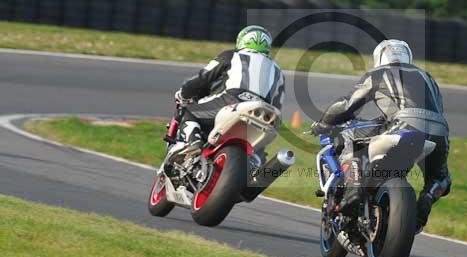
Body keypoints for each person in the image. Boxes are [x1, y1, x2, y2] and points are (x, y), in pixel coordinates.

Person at [314, 39, 451, 232]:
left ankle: (353, 187)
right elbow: (435, 109)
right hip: (440, 130)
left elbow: (347, 104)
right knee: (440, 177)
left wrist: (323, 123)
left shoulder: (379, 73)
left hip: (405, 123)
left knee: (349, 133)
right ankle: (427, 199)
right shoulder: (428, 77)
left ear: (379, 58)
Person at [166, 25, 285, 171]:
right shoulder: (278, 71)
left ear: (241, 41)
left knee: (190, 112)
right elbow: (278, 104)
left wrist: (184, 93)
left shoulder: (232, 55)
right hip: (265, 113)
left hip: (233, 100)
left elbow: (203, 77)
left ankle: (193, 143)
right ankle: (256, 164)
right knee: (260, 147)